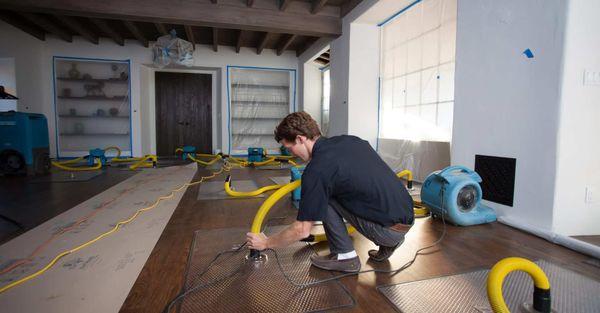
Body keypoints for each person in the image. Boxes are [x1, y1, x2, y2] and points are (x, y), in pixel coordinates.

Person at [246, 112, 414, 273]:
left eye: (290, 149)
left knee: (324, 195)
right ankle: (390, 243)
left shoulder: (317, 170)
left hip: (388, 230)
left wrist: (266, 242)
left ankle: (345, 257)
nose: (292, 154)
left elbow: (302, 230)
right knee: (344, 191)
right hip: (408, 215)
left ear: (300, 139)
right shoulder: (351, 140)